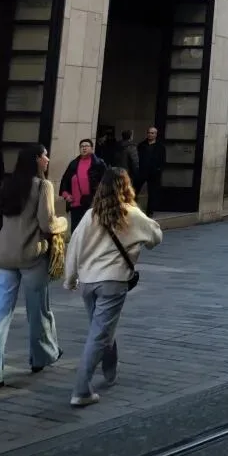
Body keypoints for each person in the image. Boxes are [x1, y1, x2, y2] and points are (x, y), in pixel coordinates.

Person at [63, 167, 162, 407]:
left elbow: (74, 246)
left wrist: (70, 278)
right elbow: (156, 236)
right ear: (126, 187)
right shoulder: (131, 213)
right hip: (113, 281)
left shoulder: (90, 214)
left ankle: (110, 371)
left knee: (101, 327)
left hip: (88, 281)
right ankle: (81, 390)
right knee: (100, 333)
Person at [0, 144, 64, 391]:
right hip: (31, 255)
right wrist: (64, 223)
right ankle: (41, 357)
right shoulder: (43, 186)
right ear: (36, 159)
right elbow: (47, 224)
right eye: (44, 155)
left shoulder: (9, 184)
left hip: (4, 254)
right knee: (38, 311)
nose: (47, 159)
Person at [58, 138, 106, 232]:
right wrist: (66, 195)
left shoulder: (99, 164)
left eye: (86, 146)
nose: (84, 148)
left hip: (92, 204)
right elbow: (65, 181)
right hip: (75, 204)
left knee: (89, 231)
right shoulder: (73, 164)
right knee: (75, 231)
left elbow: (105, 182)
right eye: (82, 146)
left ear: (92, 148)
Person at [136, 127, 165, 217]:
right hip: (142, 171)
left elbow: (163, 160)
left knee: (152, 193)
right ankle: (133, 209)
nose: (150, 134)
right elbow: (136, 158)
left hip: (154, 172)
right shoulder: (141, 145)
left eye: (152, 133)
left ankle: (150, 211)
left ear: (156, 135)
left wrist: (159, 169)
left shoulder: (160, 147)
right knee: (135, 190)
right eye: (149, 132)